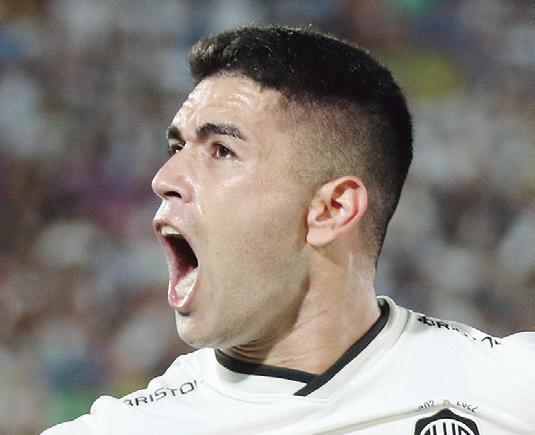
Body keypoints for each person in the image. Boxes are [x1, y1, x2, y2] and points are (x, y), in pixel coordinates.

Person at [43, 26, 535, 435]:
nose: (163, 178)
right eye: (177, 148)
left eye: (221, 151)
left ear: (332, 209)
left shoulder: (512, 390)